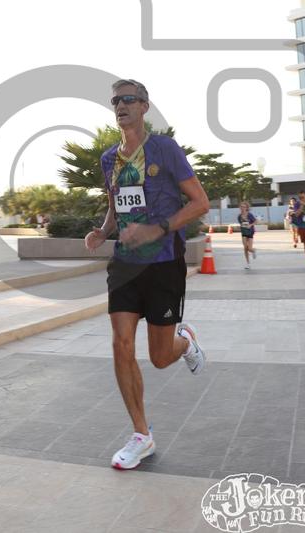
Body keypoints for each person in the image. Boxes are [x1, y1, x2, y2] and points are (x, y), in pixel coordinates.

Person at [84, 79, 209, 470]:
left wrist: (157, 229)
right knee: (121, 344)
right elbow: (115, 203)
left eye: (128, 99)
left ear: (144, 106)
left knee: (159, 357)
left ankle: (184, 343)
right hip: (125, 264)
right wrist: (103, 231)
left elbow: (200, 202)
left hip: (163, 262)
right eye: (115, 101)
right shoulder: (109, 159)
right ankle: (142, 434)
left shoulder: (164, 149)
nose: (120, 105)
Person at [237, 201, 256, 270]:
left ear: (246, 208)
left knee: (249, 248)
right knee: (245, 248)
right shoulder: (239, 216)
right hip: (244, 232)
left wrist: (250, 225)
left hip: (250, 232)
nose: (242, 208)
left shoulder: (249, 215)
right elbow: (241, 224)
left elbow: (256, 221)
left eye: (244, 207)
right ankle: (248, 264)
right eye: (241, 207)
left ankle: (253, 251)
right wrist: (240, 227)